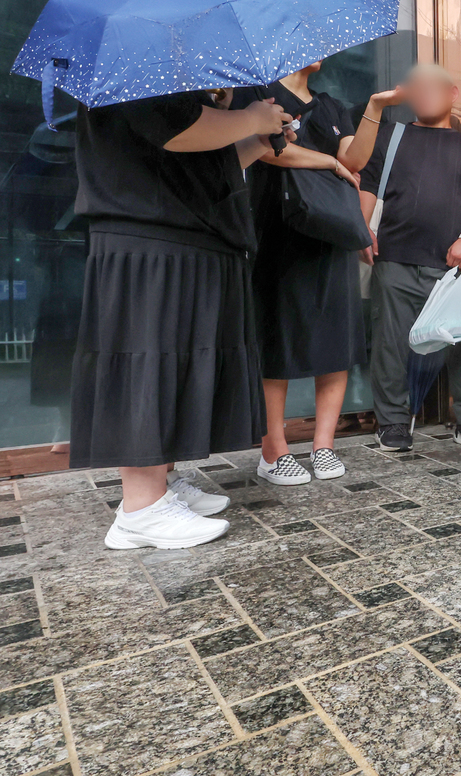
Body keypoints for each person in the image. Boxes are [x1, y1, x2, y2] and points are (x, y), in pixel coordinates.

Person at [71, 89, 292, 549]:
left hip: (184, 233)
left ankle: (159, 488)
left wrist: (262, 136)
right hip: (150, 233)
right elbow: (177, 130)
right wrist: (252, 117)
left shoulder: (168, 67)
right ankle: (142, 508)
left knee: (174, 361)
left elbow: (203, 158)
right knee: (150, 362)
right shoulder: (140, 60)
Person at [232, 64, 365, 486]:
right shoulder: (258, 95)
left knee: (335, 337)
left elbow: (354, 160)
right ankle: (274, 450)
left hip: (331, 233)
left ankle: (323, 445)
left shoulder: (332, 106)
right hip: (277, 231)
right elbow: (270, 148)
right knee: (278, 339)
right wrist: (326, 160)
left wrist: (376, 108)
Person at [354, 65, 461, 453]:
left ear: (452, 94)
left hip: (451, 265)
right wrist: (362, 228)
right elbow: (368, 184)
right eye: (419, 88)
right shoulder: (390, 136)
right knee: (390, 343)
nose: (427, 94)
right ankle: (393, 423)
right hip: (395, 257)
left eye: (435, 88)